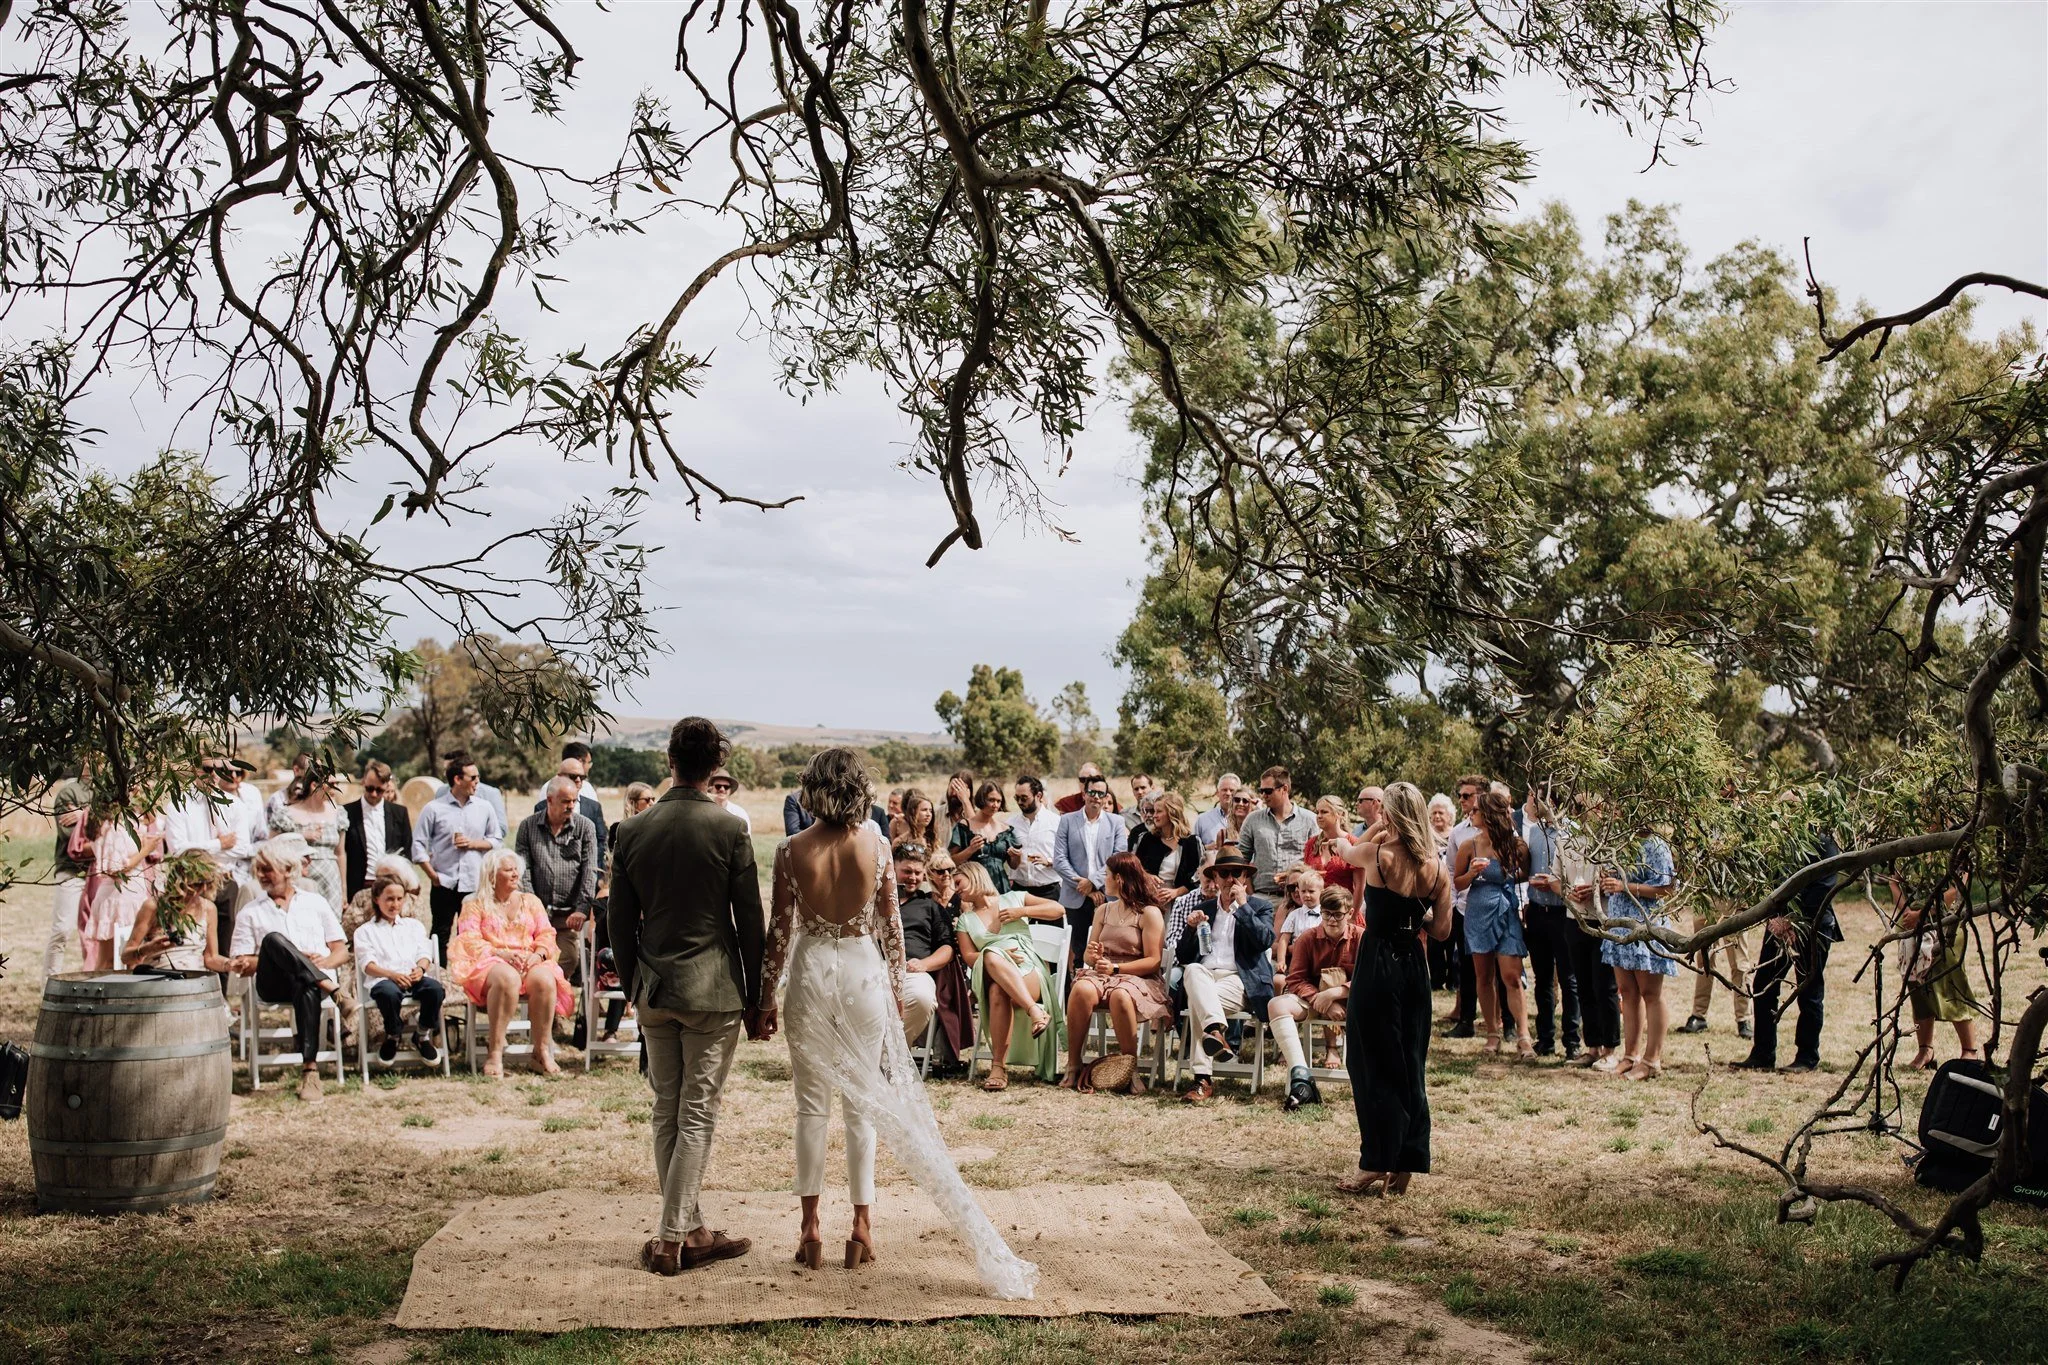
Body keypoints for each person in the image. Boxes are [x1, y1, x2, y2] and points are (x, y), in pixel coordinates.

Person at [760, 750, 1037, 1298]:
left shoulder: (791, 850)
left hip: (813, 972)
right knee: (864, 1106)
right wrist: (890, 992)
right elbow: (890, 928)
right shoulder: (878, 846)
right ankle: (862, 1227)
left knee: (810, 1106)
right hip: (862, 973)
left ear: (812, 789)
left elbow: (778, 932)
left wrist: (764, 998)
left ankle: (810, 1228)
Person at [608, 717, 764, 1276]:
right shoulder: (729, 830)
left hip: (654, 987)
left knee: (666, 1113)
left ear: (670, 761)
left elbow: (618, 924)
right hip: (713, 988)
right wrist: (757, 996)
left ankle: (694, 1229)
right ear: (713, 765)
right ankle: (673, 1240)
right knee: (696, 1115)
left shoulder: (631, 832)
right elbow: (750, 922)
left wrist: (632, 984)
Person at [1338, 782, 1453, 1194]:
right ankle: (1406, 1161)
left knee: (1370, 1064)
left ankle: (1375, 1162)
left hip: (1378, 966)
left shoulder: (1377, 855)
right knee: (1409, 1064)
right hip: (1415, 969)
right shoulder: (1437, 869)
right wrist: (1414, 919)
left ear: (1390, 814)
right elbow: (1441, 930)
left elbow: (1345, 851)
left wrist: (1364, 831)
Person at [228, 836, 351, 1102]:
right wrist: (281, 956)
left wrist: (321, 963)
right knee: (273, 939)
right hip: (272, 984)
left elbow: (341, 951)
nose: (261, 875)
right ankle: (331, 988)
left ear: (287, 870)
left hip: (306, 983)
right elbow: (242, 963)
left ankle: (310, 1073)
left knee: (305, 982)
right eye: (258, 869)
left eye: (267, 869)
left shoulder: (315, 902)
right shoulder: (251, 911)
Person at [1734, 812, 1842, 1074]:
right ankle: (1763, 1052)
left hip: (1812, 926)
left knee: (1809, 990)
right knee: (1764, 984)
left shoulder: (1824, 841)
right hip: (1778, 925)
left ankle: (1807, 1057)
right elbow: (1770, 883)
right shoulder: (1780, 842)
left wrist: (1793, 921)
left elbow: (1823, 886)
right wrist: (1776, 919)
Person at [449, 848, 574, 1077]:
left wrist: (539, 953)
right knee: (507, 978)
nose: (516, 874)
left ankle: (541, 1052)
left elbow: (547, 933)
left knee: (546, 979)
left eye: (516, 869)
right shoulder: (475, 905)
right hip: (491, 962)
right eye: (508, 870)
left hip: (529, 960)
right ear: (492, 876)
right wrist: (502, 954)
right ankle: (495, 1052)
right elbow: (469, 940)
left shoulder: (530, 901)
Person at [1060, 852, 1171, 1092]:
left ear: (1119, 879)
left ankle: (1128, 1069)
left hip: (1138, 976)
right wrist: (1095, 956)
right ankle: (1074, 1064)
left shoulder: (1149, 913)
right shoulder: (1103, 911)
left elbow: (1153, 960)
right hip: (1103, 973)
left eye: (1107, 875)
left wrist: (1117, 968)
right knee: (1080, 988)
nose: (1103, 879)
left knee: (1121, 994)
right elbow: (1089, 956)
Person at [1174, 851, 1275, 1103]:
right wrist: (1190, 928)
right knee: (1193, 970)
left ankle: (1202, 1080)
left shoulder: (1260, 906)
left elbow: (1264, 940)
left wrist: (1243, 907)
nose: (1230, 878)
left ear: (1245, 878)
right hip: (1204, 977)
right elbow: (1185, 956)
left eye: (1236, 873)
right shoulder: (1203, 908)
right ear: (1215, 878)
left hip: (1239, 981)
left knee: (1200, 1002)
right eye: (1224, 873)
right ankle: (1215, 1033)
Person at [954, 861, 1066, 1088]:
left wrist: (1022, 912)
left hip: (1028, 970)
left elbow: (1058, 909)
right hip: (989, 971)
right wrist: (997, 954)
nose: (956, 889)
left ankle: (998, 1069)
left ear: (973, 875)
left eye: (958, 882)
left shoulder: (1014, 898)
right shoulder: (965, 921)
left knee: (997, 990)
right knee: (993, 960)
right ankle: (1035, 1012)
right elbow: (968, 957)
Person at [1588, 828, 1678, 1081]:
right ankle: (1631, 1055)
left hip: (1645, 923)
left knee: (1651, 993)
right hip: (1620, 924)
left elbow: (1667, 888)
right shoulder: (1619, 840)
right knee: (1627, 992)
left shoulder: (1657, 845)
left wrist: (1626, 886)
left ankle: (1652, 1060)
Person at [1453, 789, 1534, 1059]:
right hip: (1477, 910)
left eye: (1475, 810)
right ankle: (1492, 1033)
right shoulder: (1469, 845)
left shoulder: (1515, 845)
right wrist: (1473, 873)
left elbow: (1524, 873)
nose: (1470, 813)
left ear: (1489, 814)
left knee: (1511, 975)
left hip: (1506, 909)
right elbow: (1457, 883)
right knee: (1483, 976)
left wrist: (1511, 871)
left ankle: (1523, 1036)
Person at [1271, 886, 1361, 1109]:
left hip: (1355, 1000)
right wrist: (1321, 1001)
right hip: (1314, 999)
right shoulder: (1307, 938)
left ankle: (1373, 1077)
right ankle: (1301, 1078)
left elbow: (1370, 977)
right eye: (1326, 913)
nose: (1331, 920)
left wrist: (1335, 993)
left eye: (1337, 914)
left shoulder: (1362, 937)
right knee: (1276, 1004)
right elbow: (1295, 979)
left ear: (1349, 913)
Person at [412, 755, 506, 958]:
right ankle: (439, 977)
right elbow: (418, 844)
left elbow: (496, 839)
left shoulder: (485, 807)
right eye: (473, 778)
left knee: (470, 935)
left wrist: (473, 844)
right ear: (457, 779)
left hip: (473, 884)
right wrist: (433, 876)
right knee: (439, 932)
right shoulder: (433, 809)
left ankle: (467, 979)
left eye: (477, 777)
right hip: (444, 883)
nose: (477, 782)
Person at [1887, 873, 1981, 1070]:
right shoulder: (1909, 856)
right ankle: (1925, 1050)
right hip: (1912, 927)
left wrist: (1921, 915)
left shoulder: (1954, 852)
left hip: (1945, 925)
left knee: (1951, 984)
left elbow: (1958, 888)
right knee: (1917, 988)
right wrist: (1908, 913)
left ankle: (1969, 1050)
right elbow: (1897, 886)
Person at [894, 844, 975, 1069]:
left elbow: (947, 949)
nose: (912, 877)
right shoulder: (877, 901)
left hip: (913, 971)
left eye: (917, 873)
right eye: (907, 871)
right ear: (893, 869)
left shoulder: (930, 907)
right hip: (876, 968)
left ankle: (893, 1051)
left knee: (922, 999)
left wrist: (924, 964)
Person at [354, 872, 445, 1063]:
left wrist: (420, 969)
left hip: (413, 977)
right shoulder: (365, 931)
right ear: (376, 899)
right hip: (385, 979)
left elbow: (424, 953)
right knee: (388, 993)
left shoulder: (414, 926)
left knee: (435, 989)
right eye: (389, 899)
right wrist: (392, 975)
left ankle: (422, 1035)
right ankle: (393, 1035)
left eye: (399, 899)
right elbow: (368, 965)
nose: (394, 904)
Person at [1520, 789, 1582, 1060]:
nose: (1529, 803)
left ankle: (1572, 1041)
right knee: (1542, 978)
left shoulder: (1572, 833)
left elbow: (1579, 874)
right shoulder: (1532, 832)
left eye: (1534, 799)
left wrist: (1557, 884)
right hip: (1536, 911)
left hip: (1562, 913)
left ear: (1550, 802)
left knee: (1569, 979)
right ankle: (1545, 1038)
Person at [516, 774, 600, 968]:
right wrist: (534, 907)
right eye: (565, 801)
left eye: (574, 801)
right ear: (549, 800)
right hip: (535, 914)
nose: (571, 806)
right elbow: (524, 870)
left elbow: (590, 870)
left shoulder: (585, 827)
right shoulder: (528, 827)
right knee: (530, 958)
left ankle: (554, 994)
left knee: (567, 958)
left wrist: (582, 909)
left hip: (568, 915)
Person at [1053, 773, 1129, 969]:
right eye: (1092, 792)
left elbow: (1118, 857)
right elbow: (1060, 860)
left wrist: (1093, 882)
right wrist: (1084, 886)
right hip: (1075, 897)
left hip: (1109, 896)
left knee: (1108, 950)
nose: (1096, 797)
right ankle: (1077, 993)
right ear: (1084, 793)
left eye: (1101, 793)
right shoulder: (1067, 821)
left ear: (1106, 797)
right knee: (1080, 952)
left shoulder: (1116, 823)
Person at [121, 849, 229, 975]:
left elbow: (211, 958)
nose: (204, 889)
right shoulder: (154, 906)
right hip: (160, 981)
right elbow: (126, 957)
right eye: (198, 884)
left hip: (197, 982)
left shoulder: (208, 909)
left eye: (208, 883)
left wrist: (230, 964)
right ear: (183, 879)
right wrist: (148, 949)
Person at [84, 805, 165, 971]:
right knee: (109, 960)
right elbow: (115, 869)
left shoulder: (126, 820)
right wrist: (146, 850)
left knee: (132, 960)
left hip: (133, 893)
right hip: (119, 897)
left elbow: (150, 819)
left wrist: (145, 801)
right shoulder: (112, 826)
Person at [271, 769, 350, 917]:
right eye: (332, 784)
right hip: (300, 878)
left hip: (330, 881)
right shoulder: (287, 814)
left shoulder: (338, 813)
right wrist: (300, 836)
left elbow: (340, 853)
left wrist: (343, 889)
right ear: (314, 785)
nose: (336, 787)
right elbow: (271, 847)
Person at [44, 764, 96, 980]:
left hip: (100, 872)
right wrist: (95, 821)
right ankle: (49, 983)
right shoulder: (69, 791)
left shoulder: (109, 791)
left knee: (96, 934)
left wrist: (84, 814)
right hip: (72, 870)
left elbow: (117, 827)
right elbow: (71, 836)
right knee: (62, 930)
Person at [1238, 766, 1317, 897]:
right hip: (1262, 896)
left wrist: (1294, 877)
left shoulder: (1310, 820)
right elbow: (1241, 860)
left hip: (1299, 898)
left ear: (1284, 789)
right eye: (1261, 791)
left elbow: (1316, 861)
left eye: (1268, 791)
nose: (1263, 795)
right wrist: (1251, 895)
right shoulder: (1253, 819)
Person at [344, 760, 414, 902]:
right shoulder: (347, 812)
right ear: (363, 781)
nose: (374, 794)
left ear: (387, 785)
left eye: (379, 790)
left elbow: (406, 851)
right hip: (358, 886)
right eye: (370, 788)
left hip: (391, 886)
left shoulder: (399, 813)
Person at [531, 754, 610, 868]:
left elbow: (600, 841)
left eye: (582, 777)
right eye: (573, 776)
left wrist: (592, 869)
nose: (578, 780)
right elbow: (539, 843)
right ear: (559, 777)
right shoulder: (542, 807)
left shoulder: (593, 807)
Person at [949, 780, 1021, 895]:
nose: (995, 805)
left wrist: (1017, 857)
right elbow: (952, 861)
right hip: (974, 885)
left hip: (1001, 886)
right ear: (981, 799)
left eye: (998, 801)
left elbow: (1014, 865)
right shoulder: (964, 826)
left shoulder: (1005, 829)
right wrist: (970, 850)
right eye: (991, 800)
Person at [343, 854, 426, 940]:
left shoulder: (413, 901)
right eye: (379, 878)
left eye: (389, 877)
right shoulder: (362, 896)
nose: (383, 882)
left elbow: (416, 934)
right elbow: (347, 929)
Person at [1133, 791, 1202, 893]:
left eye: (1159, 811)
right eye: (1154, 811)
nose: (1154, 816)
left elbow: (1198, 875)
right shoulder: (1147, 839)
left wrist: (1176, 892)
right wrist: (1147, 876)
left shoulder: (1191, 842)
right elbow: (1135, 868)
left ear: (1172, 813)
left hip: (1182, 899)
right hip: (1150, 896)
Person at [1007, 776, 1061, 899]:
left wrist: (1048, 861)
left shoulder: (1056, 822)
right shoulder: (1010, 824)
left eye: (1024, 798)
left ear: (1039, 796)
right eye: (1017, 798)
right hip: (1019, 891)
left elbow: (1068, 856)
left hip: (1049, 890)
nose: (1020, 802)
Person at [1303, 795, 1361, 908]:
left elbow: (1359, 885)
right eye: (1317, 812)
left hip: (1343, 909)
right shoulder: (1312, 843)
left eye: (1324, 812)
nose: (1319, 816)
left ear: (1339, 814)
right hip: (1315, 910)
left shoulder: (1353, 843)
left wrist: (1353, 915)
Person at [1269, 864, 1324, 975]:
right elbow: (1275, 945)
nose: (1296, 891)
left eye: (1298, 886)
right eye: (1291, 887)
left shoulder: (1324, 911)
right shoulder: (1287, 909)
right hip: (1292, 959)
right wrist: (1290, 950)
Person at [1192, 774, 1241, 847]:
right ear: (1218, 793)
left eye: (1232, 790)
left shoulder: (1246, 818)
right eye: (1224, 790)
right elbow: (1192, 850)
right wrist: (1206, 848)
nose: (1228, 793)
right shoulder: (1202, 820)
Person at [1053, 761, 1119, 815]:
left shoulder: (1109, 802)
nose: (1087, 783)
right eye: (1083, 779)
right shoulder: (1065, 803)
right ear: (1078, 781)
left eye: (1092, 779)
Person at [898, 788, 944, 860]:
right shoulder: (901, 841)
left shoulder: (933, 838)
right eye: (924, 810)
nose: (928, 814)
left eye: (931, 811)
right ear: (913, 812)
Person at [707, 767, 753, 833]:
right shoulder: (705, 811)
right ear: (711, 789)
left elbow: (746, 838)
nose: (722, 789)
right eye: (718, 786)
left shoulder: (739, 813)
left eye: (726, 787)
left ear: (730, 790)